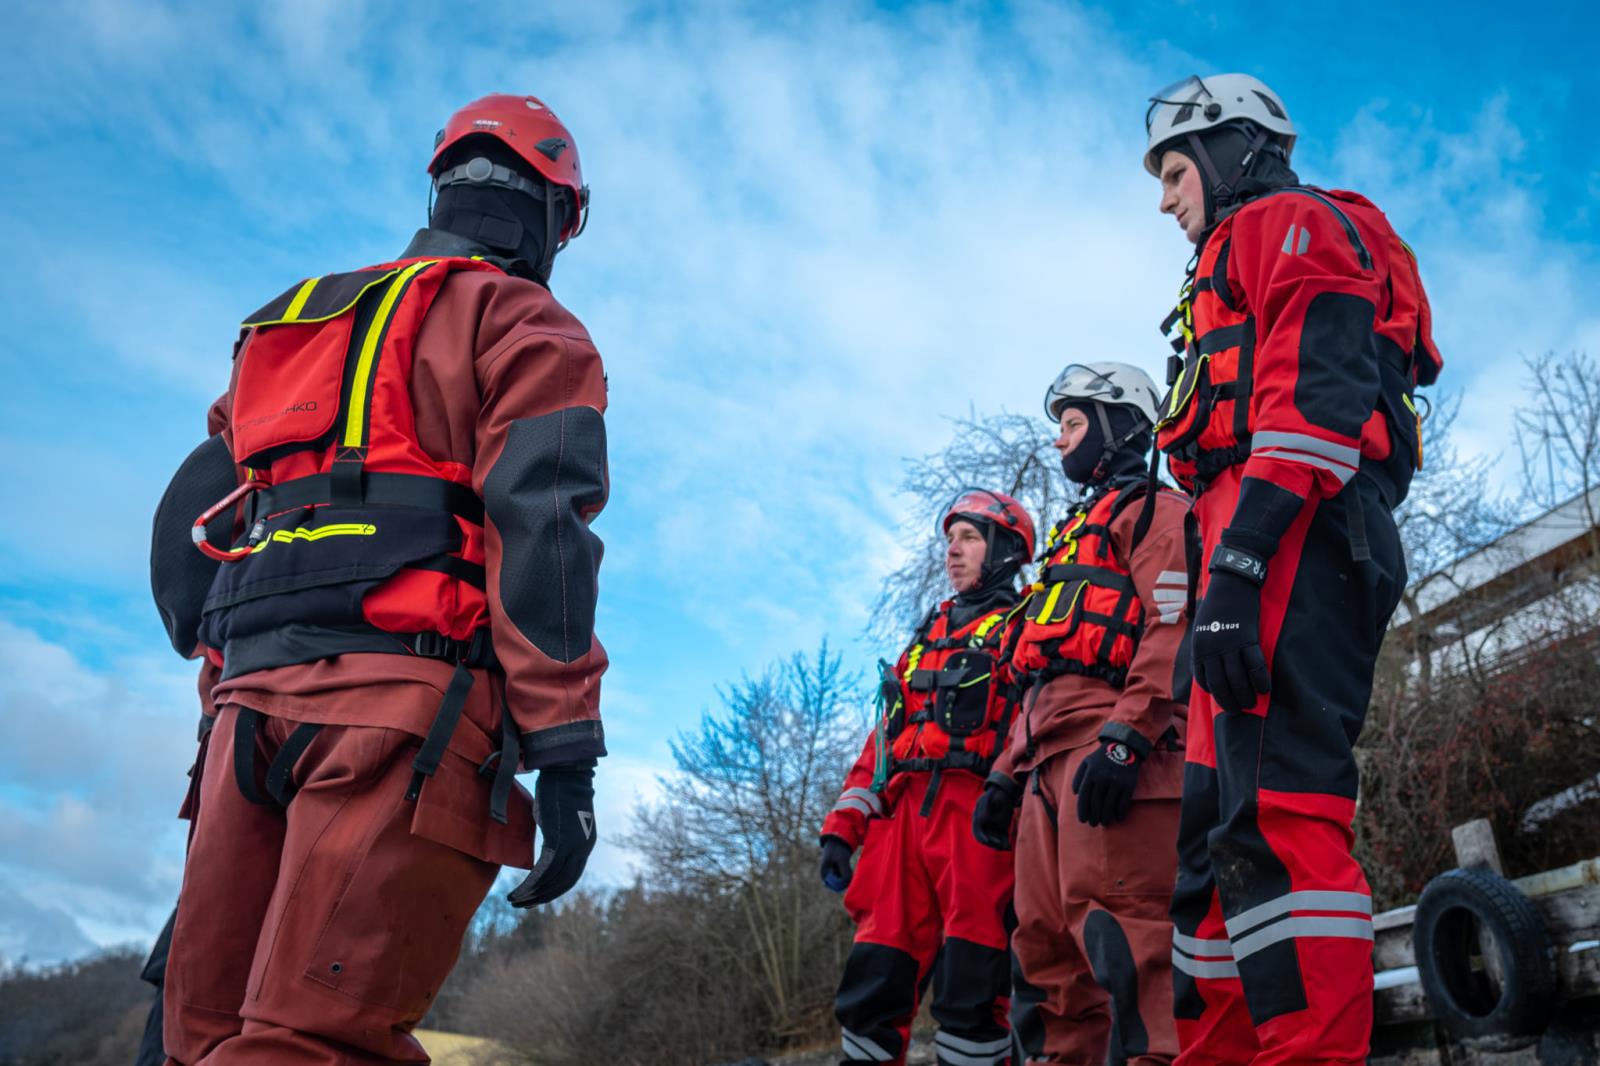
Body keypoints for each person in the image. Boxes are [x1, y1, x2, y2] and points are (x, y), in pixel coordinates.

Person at [160, 92, 609, 1064]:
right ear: (556, 213)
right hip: (405, 717)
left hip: (244, 720)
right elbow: (544, 539)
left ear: (442, 189)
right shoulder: (529, 325)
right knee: (317, 1043)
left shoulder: (288, 321)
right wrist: (566, 756)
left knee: (201, 1036)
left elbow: (182, 535)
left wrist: (226, 692)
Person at [1144, 74, 1442, 1063]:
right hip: (1243, 529)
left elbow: (1314, 398)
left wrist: (1239, 560)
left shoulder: (1290, 222)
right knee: (1207, 838)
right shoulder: (1224, 255)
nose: (1163, 199)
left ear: (1233, 149)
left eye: (1175, 171)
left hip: (1296, 525)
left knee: (1277, 809)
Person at [972, 362, 1191, 1065]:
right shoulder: (1072, 540)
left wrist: (1127, 740)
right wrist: (1006, 774)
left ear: (1119, 424)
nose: (1061, 442)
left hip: (1112, 754)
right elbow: (1040, 671)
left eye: (1072, 425)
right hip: (1043, 766)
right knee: (1045, 961)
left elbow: (1172, 626)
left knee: (1130, 942)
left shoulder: (1155, 511)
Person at [820, 490, 1034, 1066]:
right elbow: (883, 743)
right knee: (870, 991)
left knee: (972, 998)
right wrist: (843, 827)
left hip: (978, 825)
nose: (953, 552)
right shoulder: (924, 637)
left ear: (1007, 549)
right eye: (949, 541)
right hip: (900, 831)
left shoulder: (1027, 627)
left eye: (968, 538)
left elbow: (1035, 727)